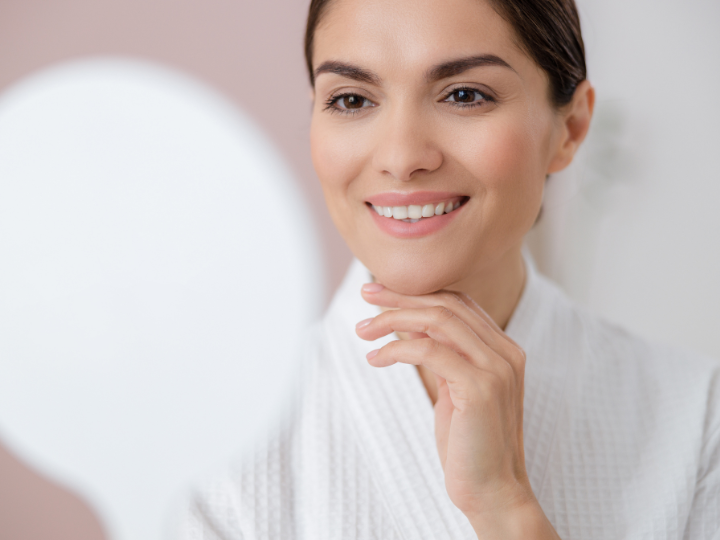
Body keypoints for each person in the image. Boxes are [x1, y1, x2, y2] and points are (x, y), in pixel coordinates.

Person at [174, 0, 720, 538]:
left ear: (571, 128)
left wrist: (506, 508)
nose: (402, 154)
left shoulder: (694, 420)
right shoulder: (211, 438)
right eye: (350, 99)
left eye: (464, 95)